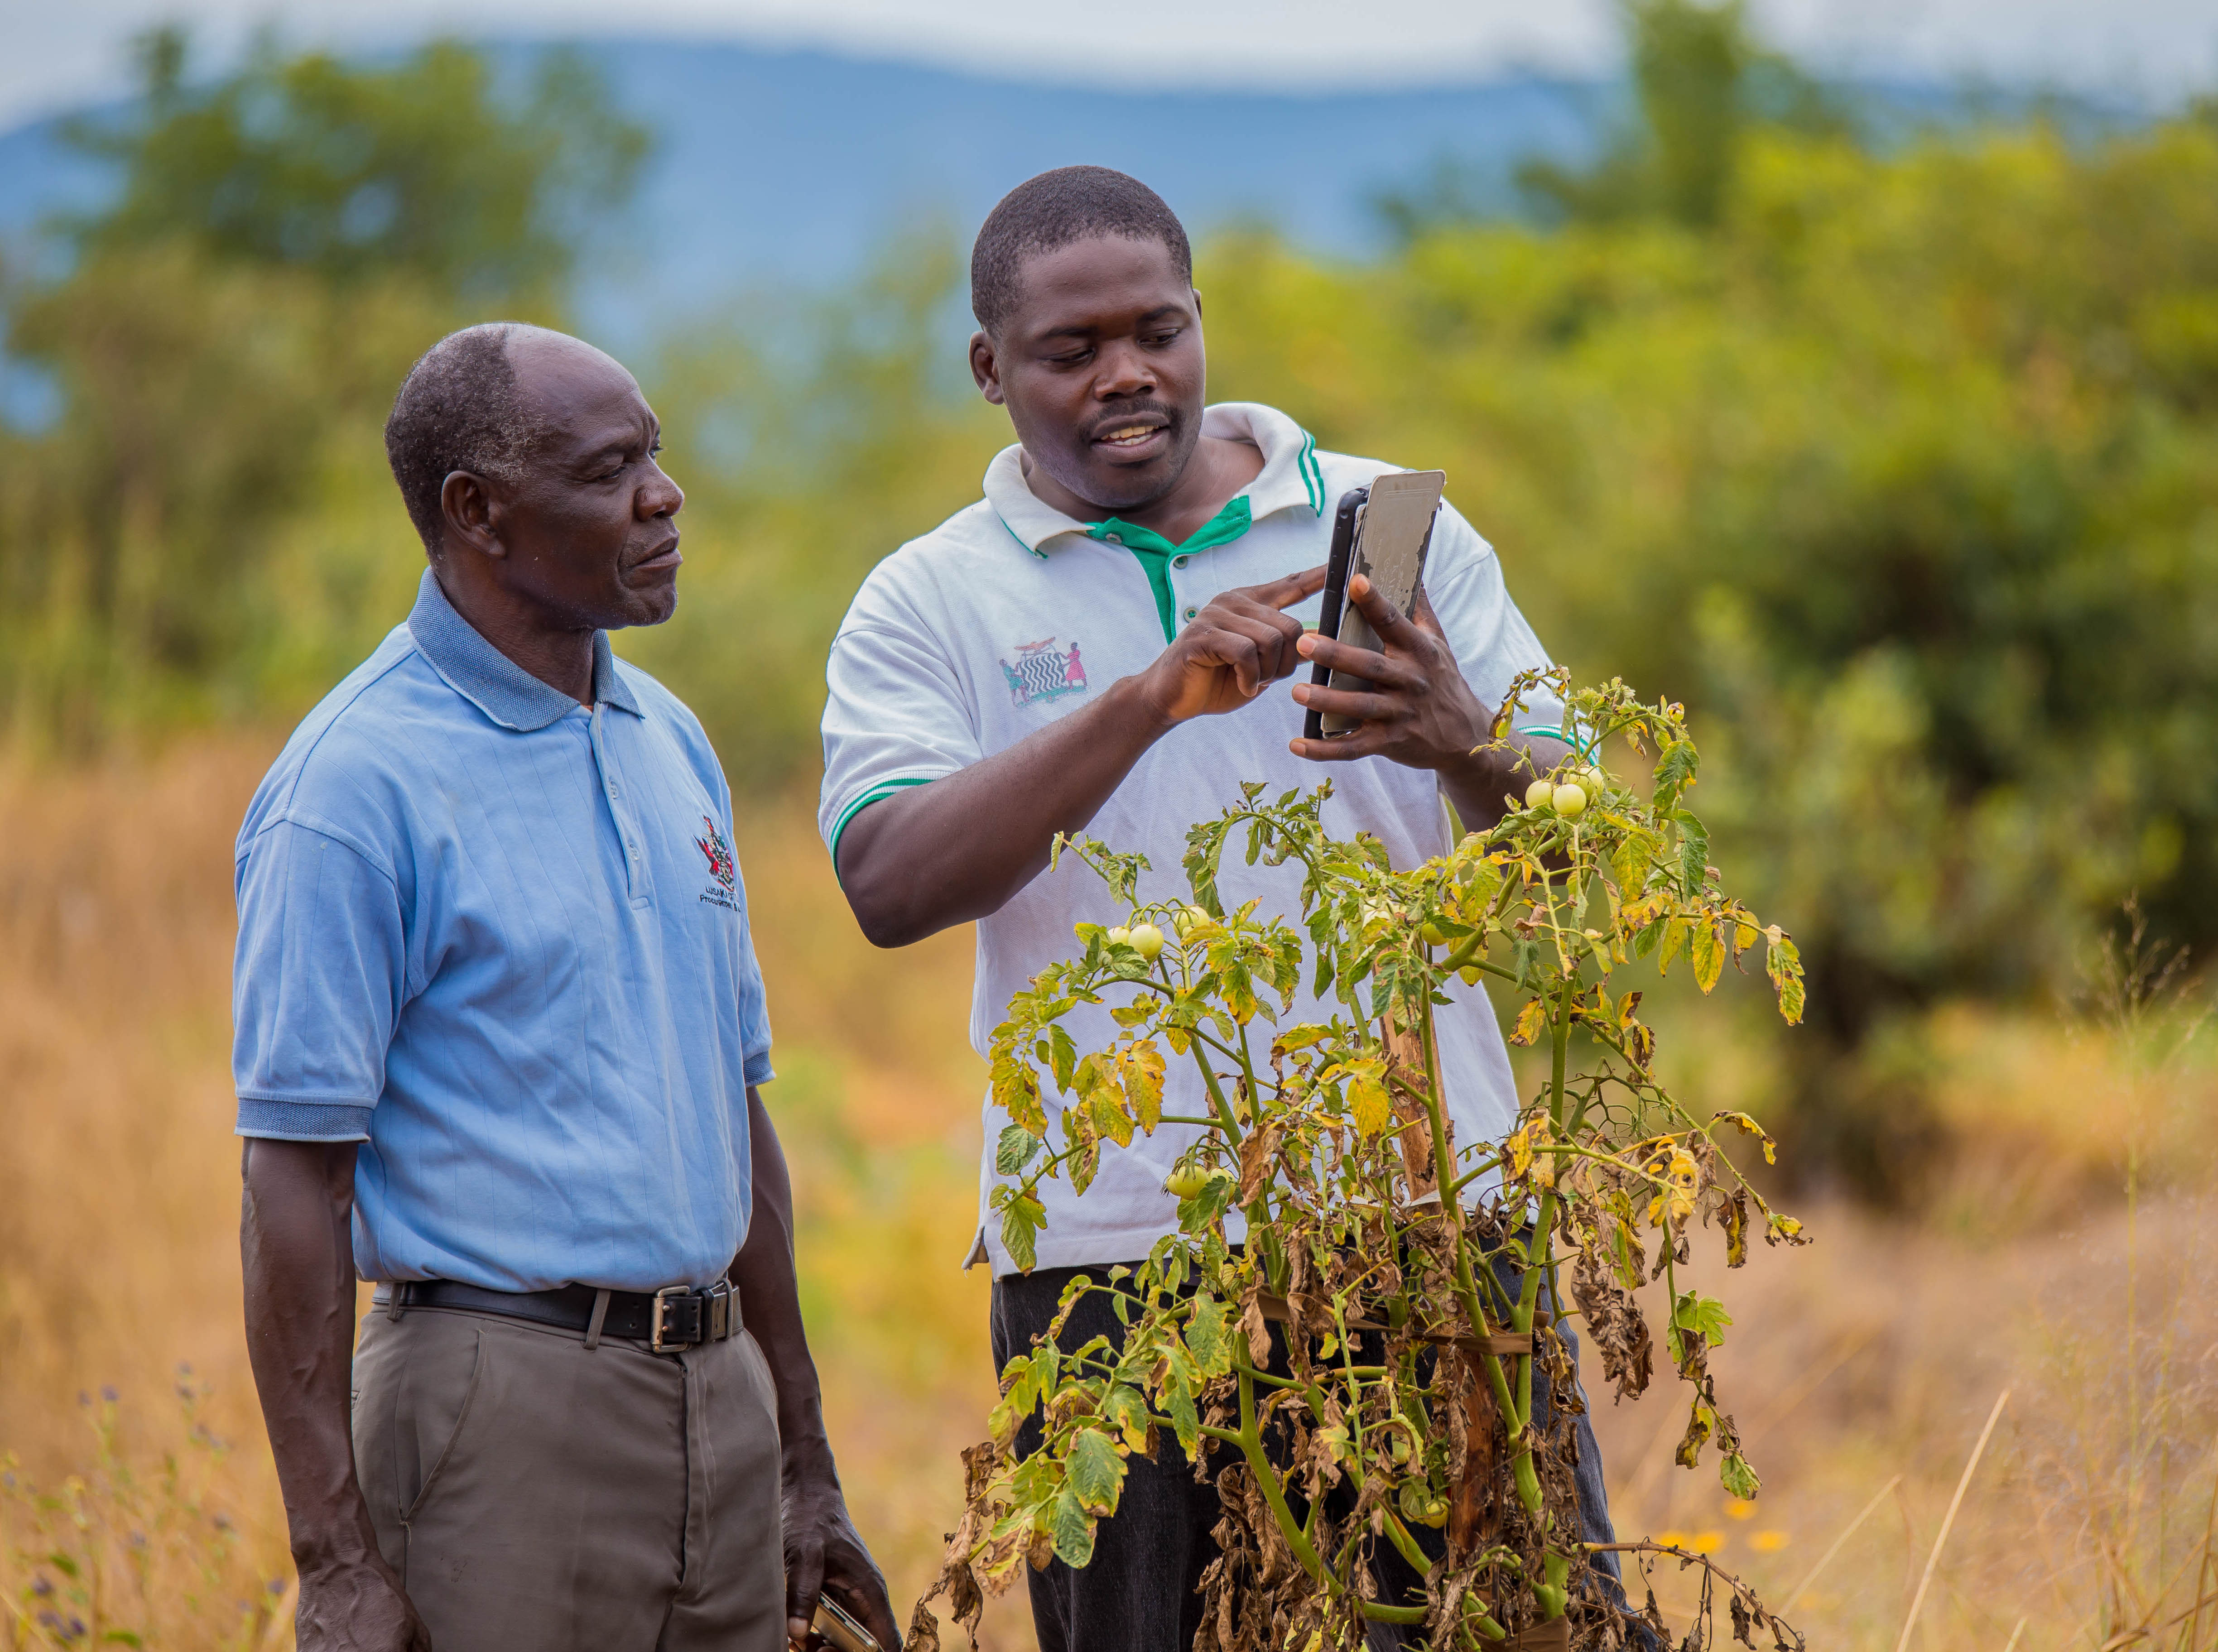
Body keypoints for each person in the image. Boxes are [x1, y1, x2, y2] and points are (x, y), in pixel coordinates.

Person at [819, 168, 1642, 1649]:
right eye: (1071, 351)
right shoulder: (926, 598)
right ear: (990, 369)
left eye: (1159, 331)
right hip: (1105, 1253)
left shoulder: (1388, 526)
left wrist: (1460, 731)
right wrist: (1146, 702)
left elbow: (1573, 856)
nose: (1127, 375)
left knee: (1513, 1626)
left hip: (1420, 1216)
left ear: (1202, 327)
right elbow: (886, 883)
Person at [233, 322, 899, 1652]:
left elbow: (734, 1112)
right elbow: (292, 1184)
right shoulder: (354, 788)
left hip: (719, 1400)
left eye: (653, 453)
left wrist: (801, 1455)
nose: (664, 495)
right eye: (609, 472)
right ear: (476, 513)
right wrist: (338, 1564)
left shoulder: (670, 740)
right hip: (496, 1412)